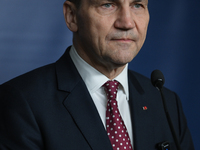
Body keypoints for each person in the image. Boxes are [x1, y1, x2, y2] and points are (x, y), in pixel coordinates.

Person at [0, 0, 194, 149]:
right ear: (72, 16)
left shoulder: (166, 102)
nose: (127, 22)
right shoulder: (21, 102)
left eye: (137, 5)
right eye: (108, 4)